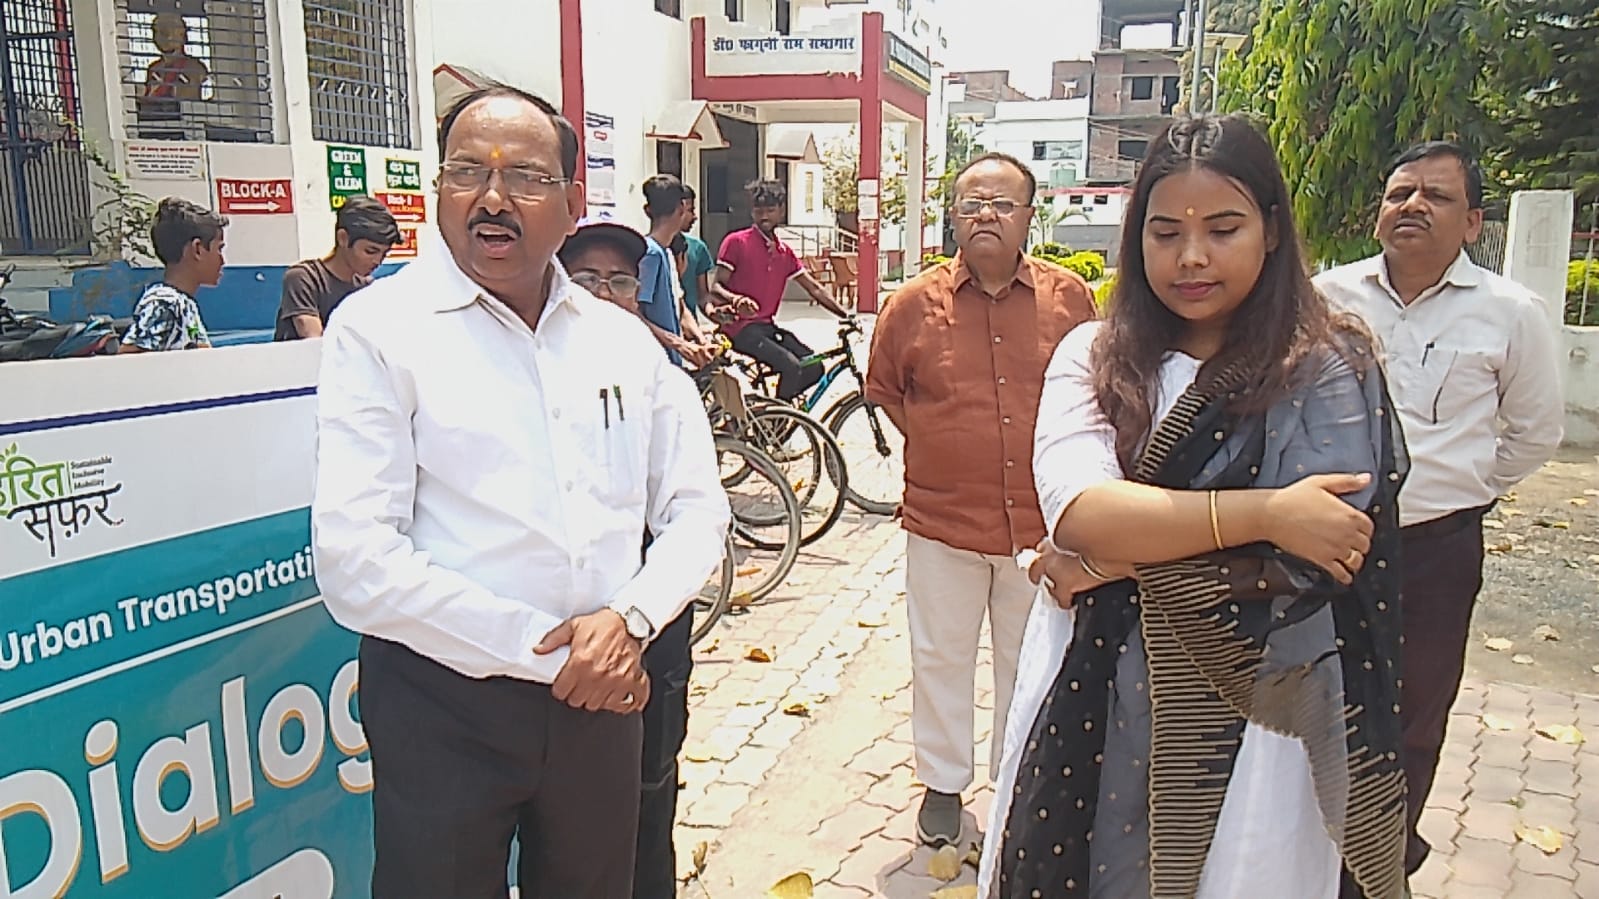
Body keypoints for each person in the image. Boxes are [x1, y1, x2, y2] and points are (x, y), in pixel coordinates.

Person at [311, 86, 730, 899]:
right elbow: (355, 560)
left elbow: (695, 508)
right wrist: (552, 650)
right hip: (444, 701)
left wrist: (631, 618)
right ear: (439, 189)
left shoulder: (620, 343)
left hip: (602, 695)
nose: (493, 197)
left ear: (571, 205)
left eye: (526, 177)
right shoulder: (379, 330)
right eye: (467, 171)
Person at [980, 114, 1408, 899]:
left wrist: (1103, 565)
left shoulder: (1323, 367)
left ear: (1270, 229)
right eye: (1165, 232)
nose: (1191, 257)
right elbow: (1080, 509)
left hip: (1262, 700)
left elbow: (1318, 555)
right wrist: (1267, 513)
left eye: (1222, 228)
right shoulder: (1095, 355)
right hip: (1095, 681)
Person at [1315, 140, 1564, 877]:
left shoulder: (1510, 313)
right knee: (1312, 703)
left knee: (1413, 716)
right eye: (1399, 194)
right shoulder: (1325, 299)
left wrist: (1455, 489)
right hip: (1328, 539)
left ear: (1473, 222)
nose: (1413, 207)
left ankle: (1378, 868)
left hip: (1436, 551)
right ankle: (1300, 862)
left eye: (1436, 196)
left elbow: (1533, 433)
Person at [864, 151, 1098, 846]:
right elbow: (887, 392)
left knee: (1029, 661)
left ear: (1029, 215)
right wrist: (944, 448)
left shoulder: (1070, 300)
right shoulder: (911, 305)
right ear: (953, 218)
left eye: (1001, 204)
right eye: (970, 205)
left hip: (1042, 526)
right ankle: (942, 785)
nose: (985, 216)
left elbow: (1095, 393)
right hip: (942, 521)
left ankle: (1017, 780)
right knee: (940, 655)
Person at [558, 218, 703, 899]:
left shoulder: (658, 378)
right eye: (586, 278)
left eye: (619, 281)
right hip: (556, 640)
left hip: (651, 626)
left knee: (650, 782)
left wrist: (635, 617)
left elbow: (696, 513)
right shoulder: (526, 379)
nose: (604, 294)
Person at [709, 179, 850, 400]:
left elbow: (814, 288)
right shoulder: (736, 242)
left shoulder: (784, 253)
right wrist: (736, 300)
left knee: (814, 367)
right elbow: (716, 286)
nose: (764, 216)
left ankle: (778, 409)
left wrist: (846, 316)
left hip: (766, 327)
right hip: (739, 329)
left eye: (770, 210)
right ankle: (777, 418)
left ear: (781, 211)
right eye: (758, 211)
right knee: (791, 366)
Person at [273, 195, 401, 340]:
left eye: (384, 254)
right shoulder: (304, 278)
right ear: (343, 238)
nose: (377, 261)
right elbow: (313, 340)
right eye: (370, 251)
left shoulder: (366, 287)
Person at [120, 197, 226, 353]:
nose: (222, 260)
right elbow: (128, 357)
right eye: (219, 249)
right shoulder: (165, 303)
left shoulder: (185, 304)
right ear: (197, 249)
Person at [638, 174, 716, 367]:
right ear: (682, 208)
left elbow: (680, 308)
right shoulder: (651, 254)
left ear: (647, 210)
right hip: (653, 363)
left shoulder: (667, 253)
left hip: (672, 362)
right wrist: (679, 344)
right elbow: (635, 313)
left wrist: (701, 341)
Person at [143, 12, 208, 101]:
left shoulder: (195, 68)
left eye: (165, 31)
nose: (160, 37)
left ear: (182, 34)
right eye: (156, 32)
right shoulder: (154, 69)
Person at [678, 186, 716, 321]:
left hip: (690, 327)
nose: (694, 217)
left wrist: (713, 312)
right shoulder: (650, 251)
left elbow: (703, 296)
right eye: (690, 210)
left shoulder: (697, 248)